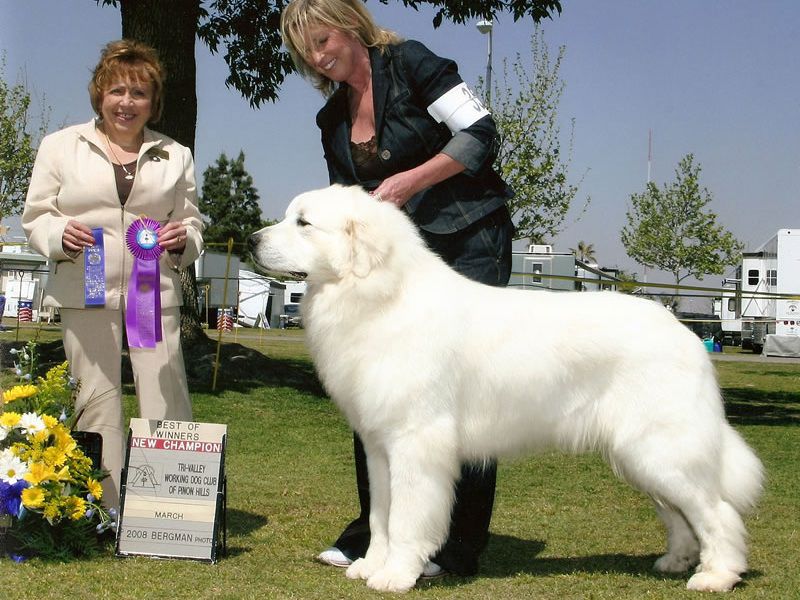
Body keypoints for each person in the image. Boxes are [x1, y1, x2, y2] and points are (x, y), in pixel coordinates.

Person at [281, 0, 514, 578]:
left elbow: (480, 133)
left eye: (322, 39)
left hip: (468, 241)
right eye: (305, 50)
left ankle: (457, 546)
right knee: (376, 392)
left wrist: (413, 179)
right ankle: (377, 534)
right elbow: (345, 203)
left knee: (462, 396)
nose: (317, 56)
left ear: (348, 25)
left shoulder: (412, 64)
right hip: (395, 265)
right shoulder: (331, 119)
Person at [22, 40, 203, 510]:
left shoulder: (176, 155)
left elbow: (193, 222)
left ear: (153, 102)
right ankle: (100, 506)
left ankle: (169, 508)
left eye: (139, 94)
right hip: (85, 287)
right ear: (99, 96)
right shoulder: (59, 147)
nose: (127, 103)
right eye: (117, 91)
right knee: (94, 398)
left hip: (153, 291)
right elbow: (37, 217)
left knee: (165, 395)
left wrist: (184, 240)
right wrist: (60, 234)